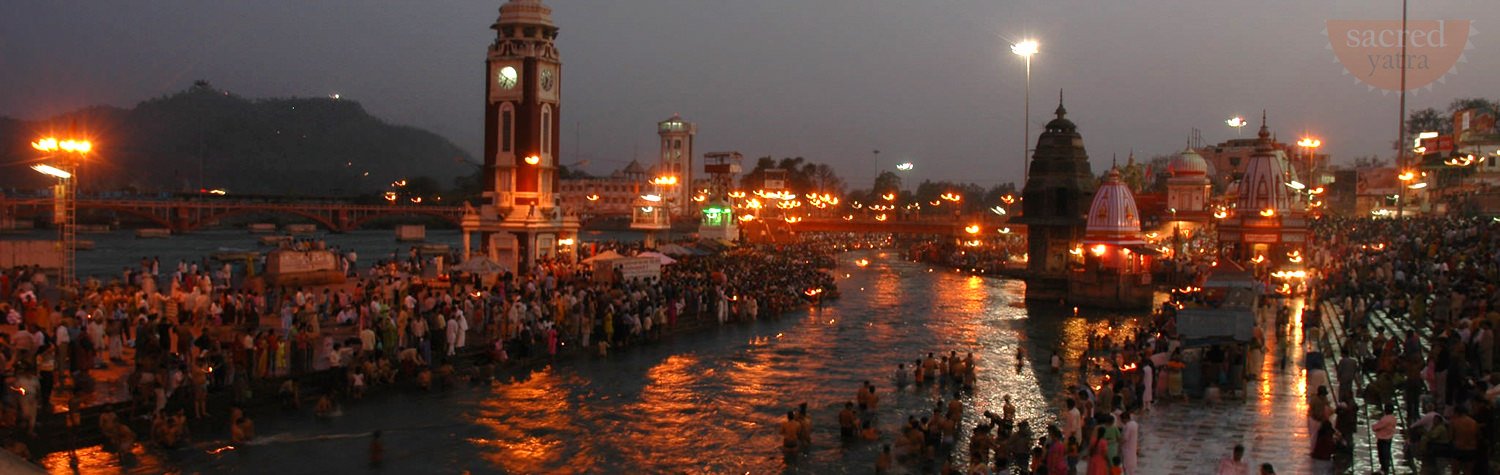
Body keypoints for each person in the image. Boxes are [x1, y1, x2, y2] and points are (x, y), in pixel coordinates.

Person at [1370, 405, 1397, 474]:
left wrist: (1373, 426)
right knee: (1386, 453)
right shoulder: (1393, 418)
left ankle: (1384, 469)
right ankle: (1385, 468)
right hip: (1389, 438)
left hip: (1382, 438)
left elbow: (1376, 427)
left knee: (1382, 454)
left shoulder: (1385, 419)